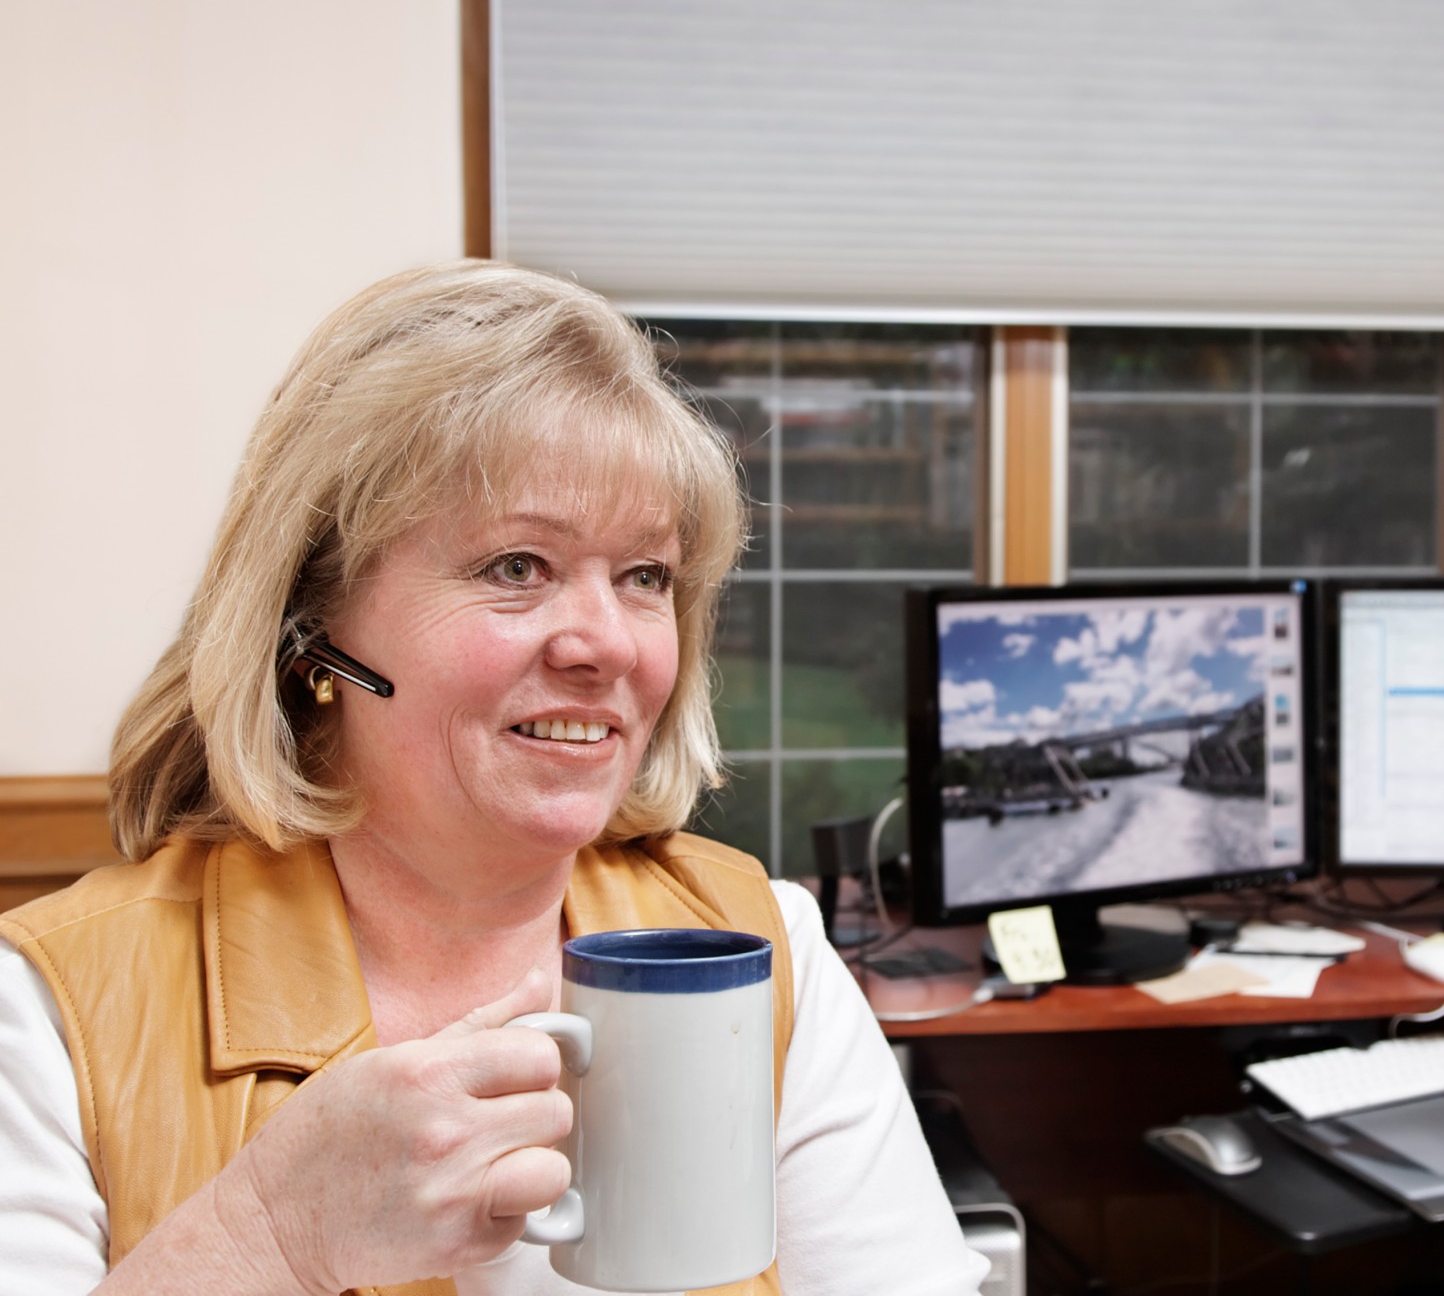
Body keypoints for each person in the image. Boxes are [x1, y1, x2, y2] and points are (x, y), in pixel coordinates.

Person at [0, 262, 990, 1295]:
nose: (605, 644)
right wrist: (266, 1237)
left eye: (644, 576)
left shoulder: (763, 945)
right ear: (311, 622)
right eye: (516, 565)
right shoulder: (48, 1013)